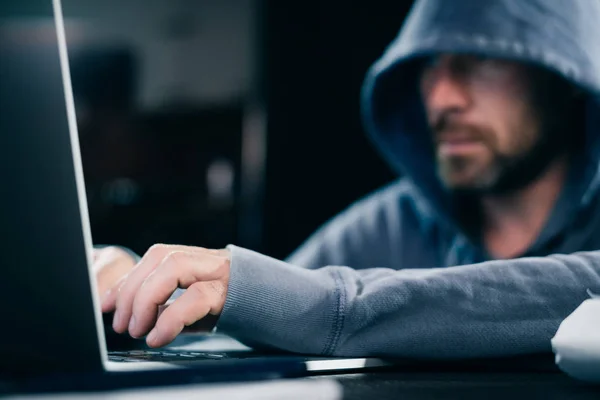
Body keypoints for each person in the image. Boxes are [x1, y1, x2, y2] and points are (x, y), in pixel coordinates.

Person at [94, 0, 600, 359]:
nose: (443, 98)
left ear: (566, 76)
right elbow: (247, 316)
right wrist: (139, 288)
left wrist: (331, 309)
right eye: (429, 67)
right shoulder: (385, 225)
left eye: (484, 60)